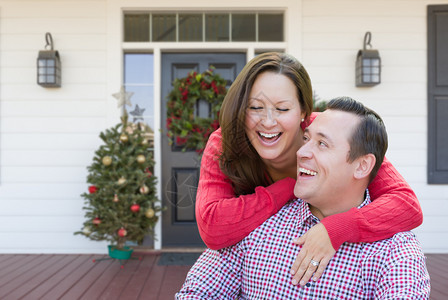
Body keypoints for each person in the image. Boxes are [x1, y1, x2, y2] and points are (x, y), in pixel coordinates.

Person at [195, 52, 423, 285]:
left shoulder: (326, 133)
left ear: (303, 112)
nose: (268, 121)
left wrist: (336, 228)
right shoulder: (225, 143)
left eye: (282, 109)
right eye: (255, 107)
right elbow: (213, 226)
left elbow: (405, 205)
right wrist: (288, 187)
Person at [177, 97, 430, 299]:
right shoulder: (258, 222)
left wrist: (337, 228)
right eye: (307, 139)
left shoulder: (396, 253)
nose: (301, 151)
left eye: (322, 144)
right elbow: (197, 293)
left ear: (362, 166)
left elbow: (407, 204)